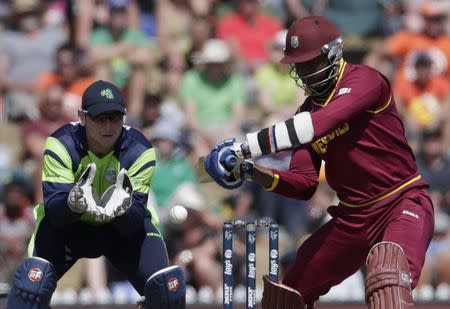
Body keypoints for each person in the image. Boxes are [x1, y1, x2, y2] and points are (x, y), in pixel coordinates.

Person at [204, 16, 434, 308]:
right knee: (285, 298)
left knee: (388, 276)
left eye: (311, 63)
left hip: (401, 202)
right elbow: (304, 184)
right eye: (299, 66)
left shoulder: (365, 80)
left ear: (333, 53)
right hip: (353, 218)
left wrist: (244, 147)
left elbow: (318, 125)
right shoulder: (307, 112)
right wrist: (251, 172)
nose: (305, 73)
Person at [6, 80, 186, 309]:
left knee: (168, 288)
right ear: (82, 117)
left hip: (121, 230)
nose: (108, 127)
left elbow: (133, 223)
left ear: (125, 116)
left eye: (115, 118)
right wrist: (72, 203)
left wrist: (124, 210)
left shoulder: (141, 151)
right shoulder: (60, 144)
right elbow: (54, 212)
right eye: (100, 118)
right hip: (68, 228)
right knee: (30, 287)